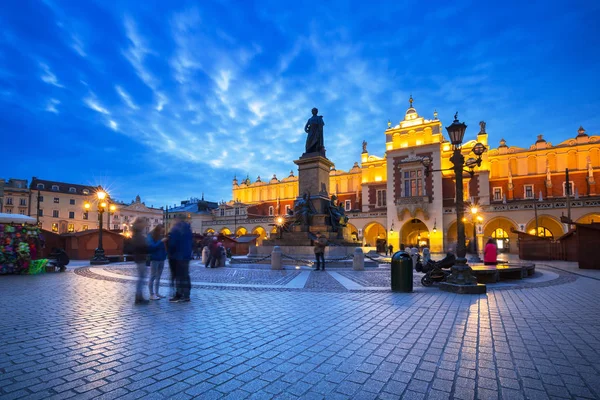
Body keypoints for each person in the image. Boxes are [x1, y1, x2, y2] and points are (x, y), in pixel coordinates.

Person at [169, 215, 193, 303]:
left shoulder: (176, 229)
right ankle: (186, 295)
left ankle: (179, 294)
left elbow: (173, 244)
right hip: (186, 255)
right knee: (186, 276)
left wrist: (170, 253)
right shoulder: (188, 229)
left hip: (178, 256)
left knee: (179, 276)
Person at [131, 218, 150, 305]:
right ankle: (139, 297)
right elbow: (141, 246)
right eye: (143, 224)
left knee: (141, 278)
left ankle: (139, 297)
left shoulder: (137, 233)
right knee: (141, 278)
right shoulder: (138, 235)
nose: (145, 226)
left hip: (140, 258)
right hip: (140, 258)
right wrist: (147, 246)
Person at [147, 225, 167, 300]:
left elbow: (163, 247)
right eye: (161, 231)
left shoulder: (161, 236)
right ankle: (151, 294)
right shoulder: (150, 236)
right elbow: (152, 247)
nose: (162, 233)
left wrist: (165, 254)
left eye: (163, 232)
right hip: (154, 258)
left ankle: (157, 293)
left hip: (162, 258)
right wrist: (160, 241)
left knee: (158, 277)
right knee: (153, 276)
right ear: (158, 230)